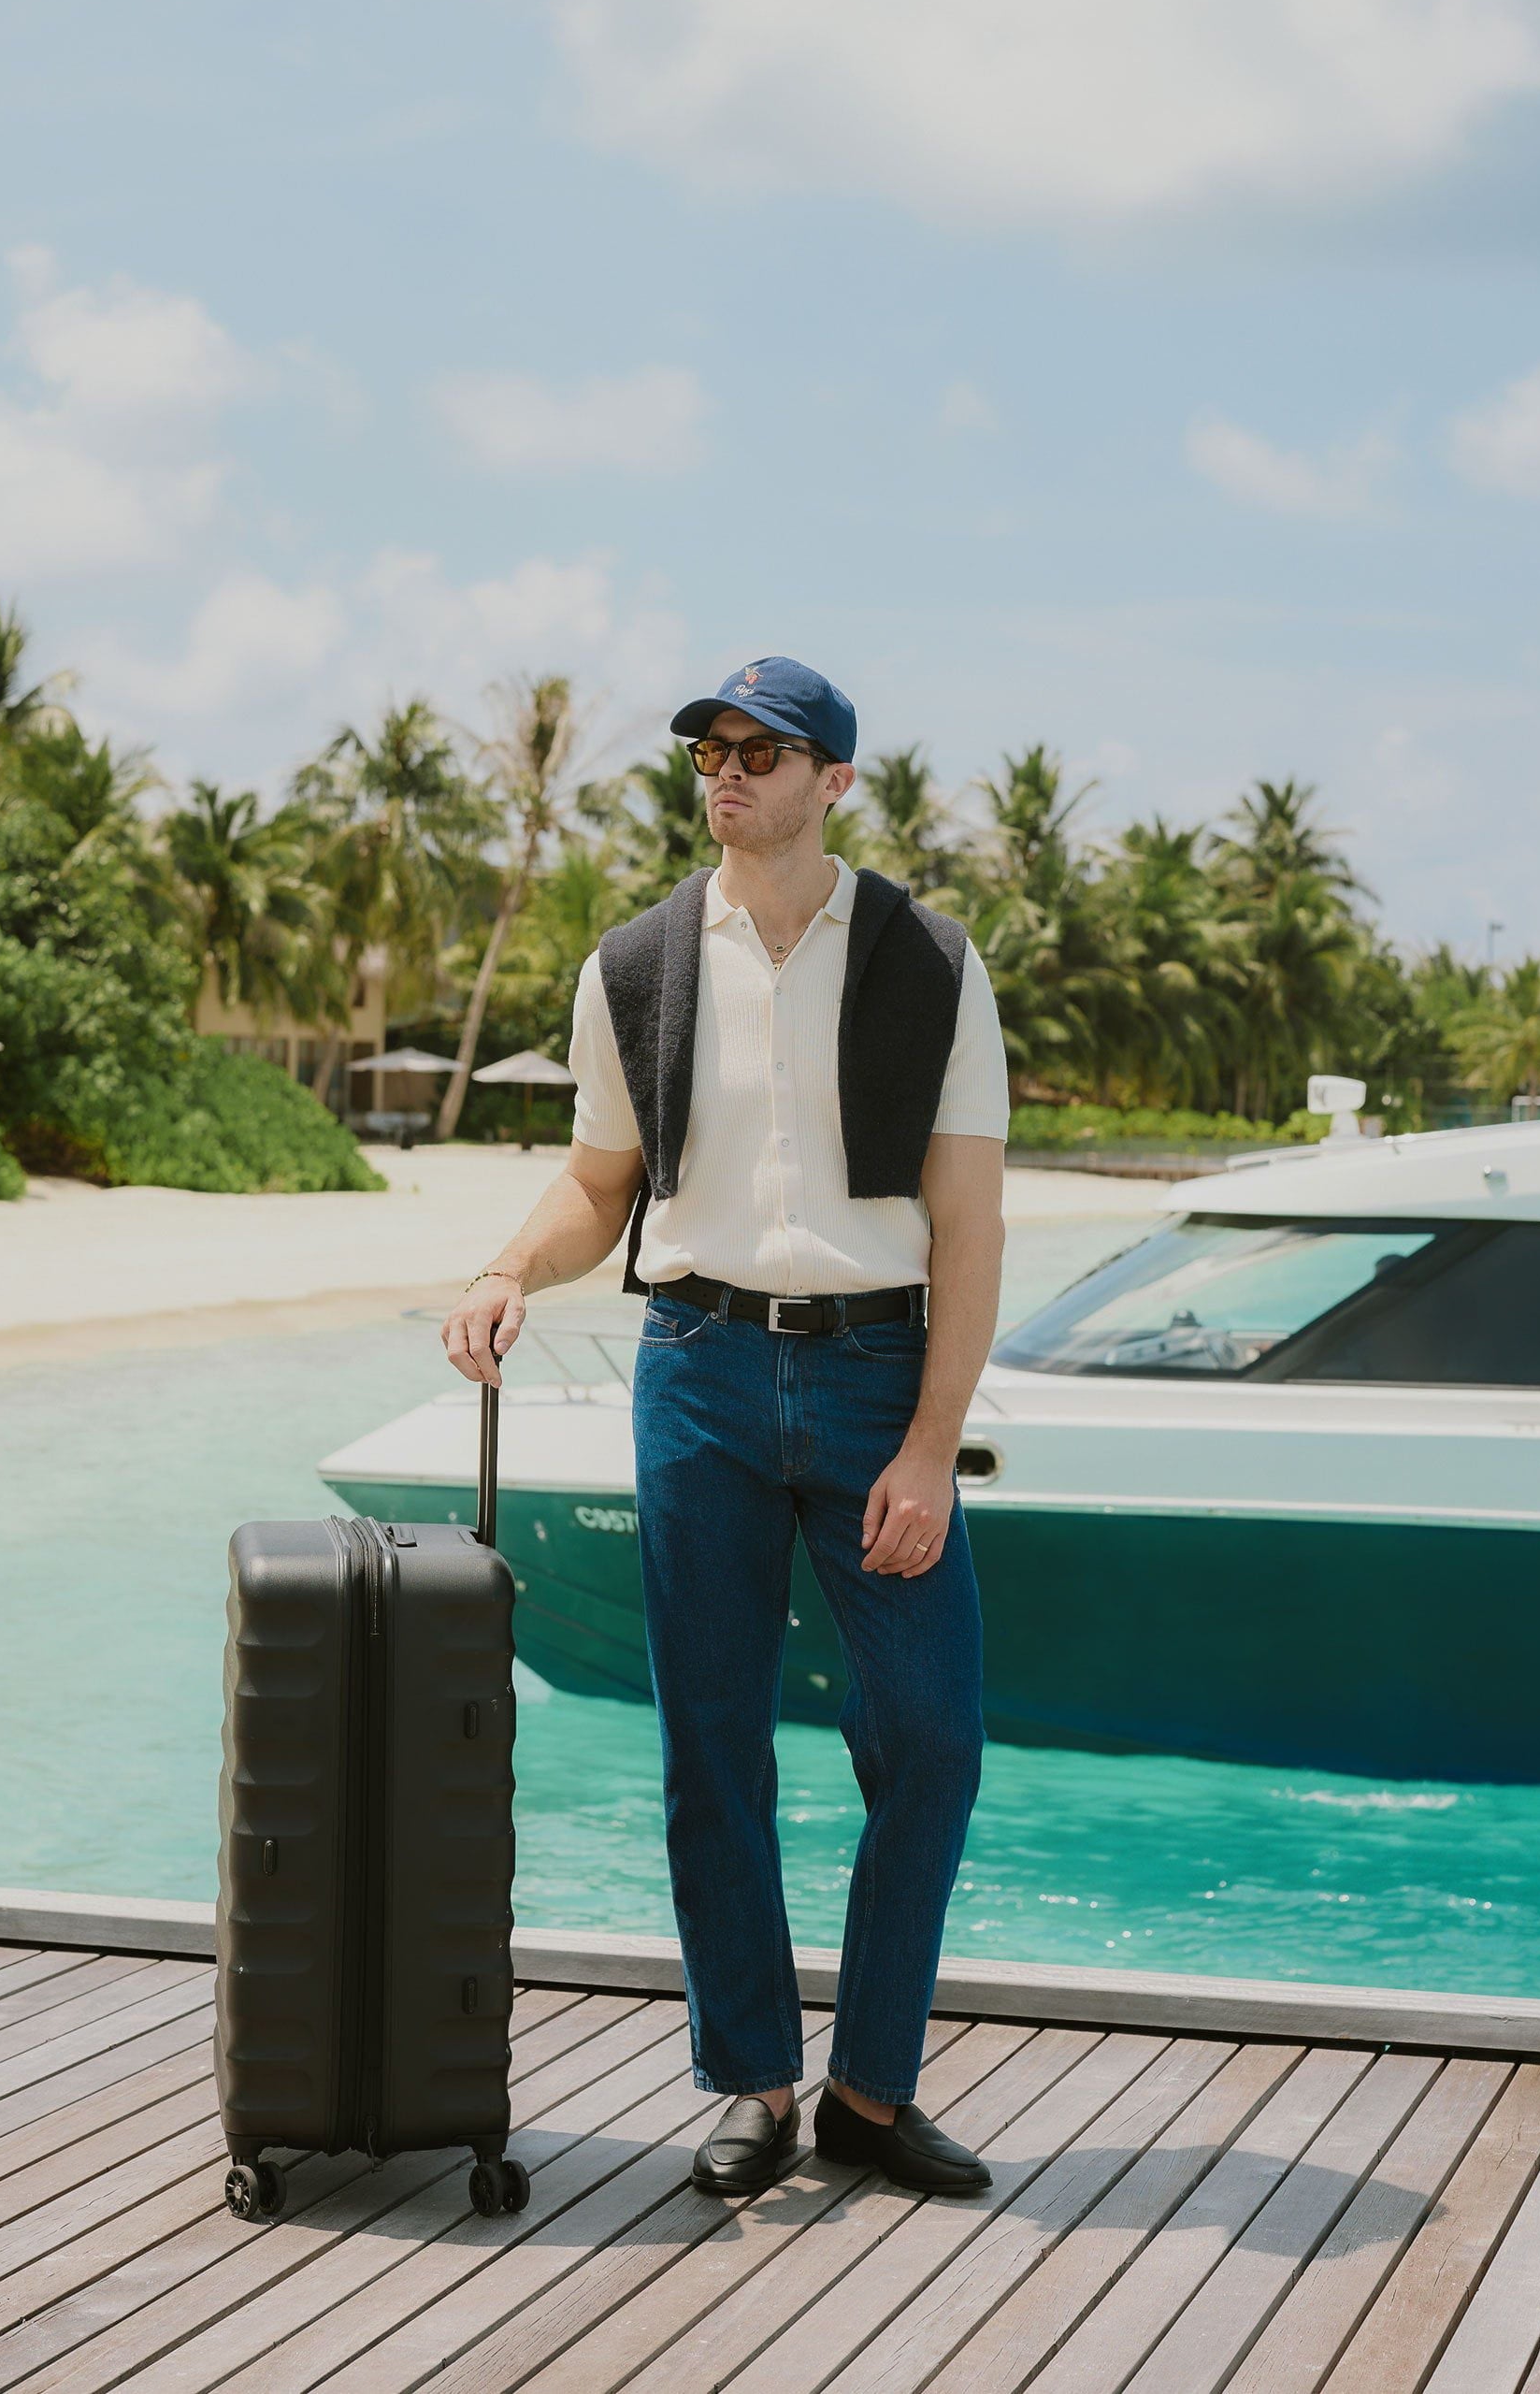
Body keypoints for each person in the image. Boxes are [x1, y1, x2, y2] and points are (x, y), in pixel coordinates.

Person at [442, 655, 1008, 2199]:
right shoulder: (633, 965)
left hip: (878, 1377)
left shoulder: (933, 961)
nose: (728, 771)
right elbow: (597, 1186)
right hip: (694, 1367)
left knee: (935, 1737)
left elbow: (969, 1222)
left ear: (836, 780)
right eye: (710, 747)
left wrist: (931, 1445)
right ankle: (756, 2076)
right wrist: (507, 1268)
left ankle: (872, 2092)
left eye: (765, 750)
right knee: (709, 1738)